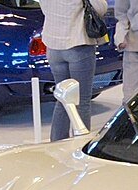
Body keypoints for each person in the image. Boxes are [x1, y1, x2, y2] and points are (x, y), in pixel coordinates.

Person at [40, 0, 109, 141]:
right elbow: (101, 7)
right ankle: (80, 144)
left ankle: (56, 145)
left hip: (53, 47)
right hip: (78, 44)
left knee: (63, 99)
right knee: (81, 101)